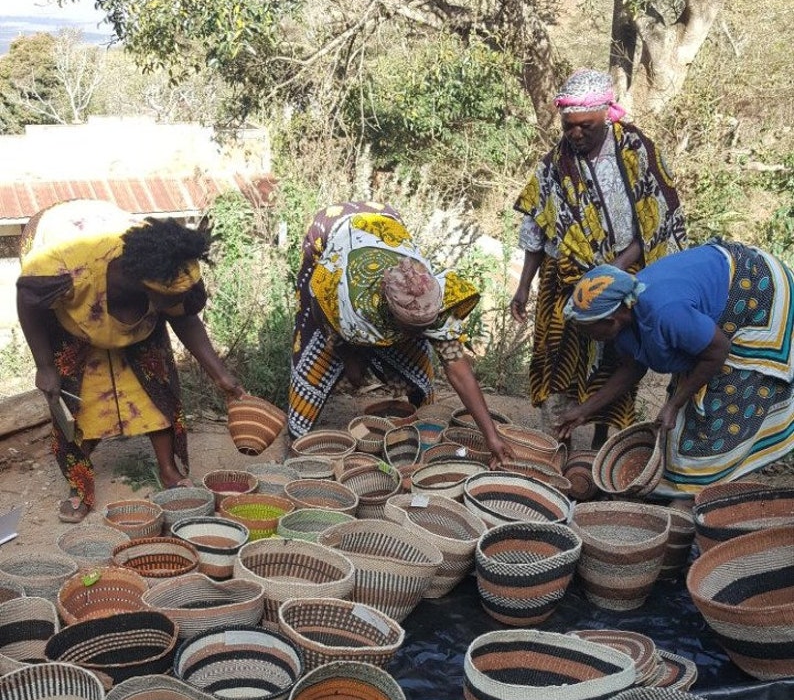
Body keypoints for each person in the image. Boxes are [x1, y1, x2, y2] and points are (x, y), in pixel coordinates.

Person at [16, 199, 243, 523]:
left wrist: (221, 375)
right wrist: (44, 366)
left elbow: (185, 318)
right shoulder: (63, 266)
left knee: (157, 391)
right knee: (77, 403)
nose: (175, 303)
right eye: (170, 299)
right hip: (72, 316)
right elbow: (27, 302)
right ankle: (79, 483)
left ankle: (168, 469)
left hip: (130, 305)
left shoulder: (169, 267)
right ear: (144, 286)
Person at [509, 68, 687, 446]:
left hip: (624, 275)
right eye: (569, 125)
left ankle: (604, 445)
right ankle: (556, 444)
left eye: (586, 125)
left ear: (607, 114)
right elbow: (535, 231)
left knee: (617, 358)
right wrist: (523, 287)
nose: (576, 133)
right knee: (557, 357)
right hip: (565, 278)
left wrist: (612, 271)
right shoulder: (554, 166)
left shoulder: (637, 152)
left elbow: (656, 221)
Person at [288, 200, 513, 465]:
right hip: (331, 230)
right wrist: (347, 355)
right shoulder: (347, 299)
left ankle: (418, 428)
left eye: (426, 325)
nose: (424, 332)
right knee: (318, 353)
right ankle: (296, 437)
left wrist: (491, 435)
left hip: (386, 222)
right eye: (413, 327)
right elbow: (319, 302)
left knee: (417, 363)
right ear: (389, 312)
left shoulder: (427, 293)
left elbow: (458, 368)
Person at [557, 241, 794, 492]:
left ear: (611, 319)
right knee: (686, 410)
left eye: (588, 330)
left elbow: (717, 352)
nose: (587, 336)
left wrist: (674, 403)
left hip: (758, 292)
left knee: (722, 401)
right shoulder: (625, 319)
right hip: (714, 305)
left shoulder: (665, 311)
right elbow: (632, 368)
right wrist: (584, 410)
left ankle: (704, 491)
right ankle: (692, 485)